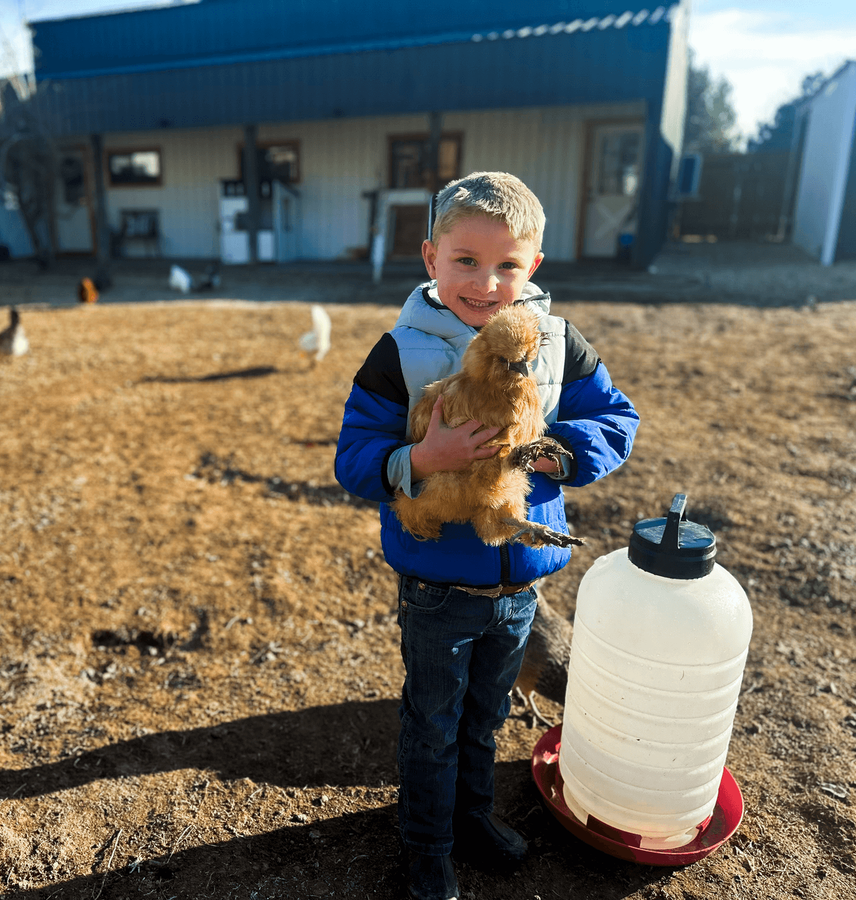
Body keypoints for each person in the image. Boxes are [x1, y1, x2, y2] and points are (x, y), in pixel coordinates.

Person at [334, 172, 639, 900]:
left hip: (520, 582)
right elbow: (353, 458)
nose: (486, 282)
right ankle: (426, 849)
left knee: (488, 714)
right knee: (434, 722)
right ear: (430, 257)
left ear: (532, 267)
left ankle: (472, 821)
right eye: (466, 261)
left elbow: (616, 420)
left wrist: (564, 454)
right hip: (438, 580)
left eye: (507, 264)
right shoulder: (400, 353)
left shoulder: (558, 344)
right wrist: (420, 460)